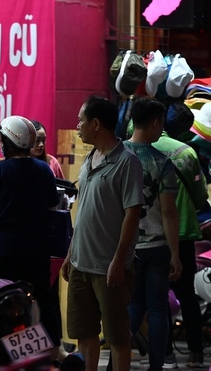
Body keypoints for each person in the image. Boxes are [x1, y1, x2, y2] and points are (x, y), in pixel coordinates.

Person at [0, 115, 61, 357]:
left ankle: (5, 353)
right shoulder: (44, 170)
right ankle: (51, 350)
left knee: (3, 303)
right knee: (42, 298)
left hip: (4, 251)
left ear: (8, 142)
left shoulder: (2, 169)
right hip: (37, 250)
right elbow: (51, 203)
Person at [61, 95, 144, 371]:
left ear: (96, 124)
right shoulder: (89, 159)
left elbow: (132, 214)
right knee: (85, 335)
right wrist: (71, 253)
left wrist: (119, 260)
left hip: (109, 267)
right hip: (80, 264)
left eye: (81, 121)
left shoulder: (127, 163)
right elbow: (84, 209)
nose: (78, 126)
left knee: (118, 337)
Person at [124, 98, 182, 371]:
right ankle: (156, 365)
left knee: (132, 304)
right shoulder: (162, 163)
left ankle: (116, 359)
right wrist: (175, 253)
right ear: (156, 122)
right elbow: (170, 213)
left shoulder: (116, 156)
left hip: (125, 247)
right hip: (157, 246)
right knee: (158, 308)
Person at [153, 131, 208, 368]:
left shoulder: (136, 151)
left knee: (159, 297)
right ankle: (196, 353)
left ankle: (165, 355)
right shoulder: (186, 152)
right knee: (187, 295)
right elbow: (200, 197)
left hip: (154, 234)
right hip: (184, 231)